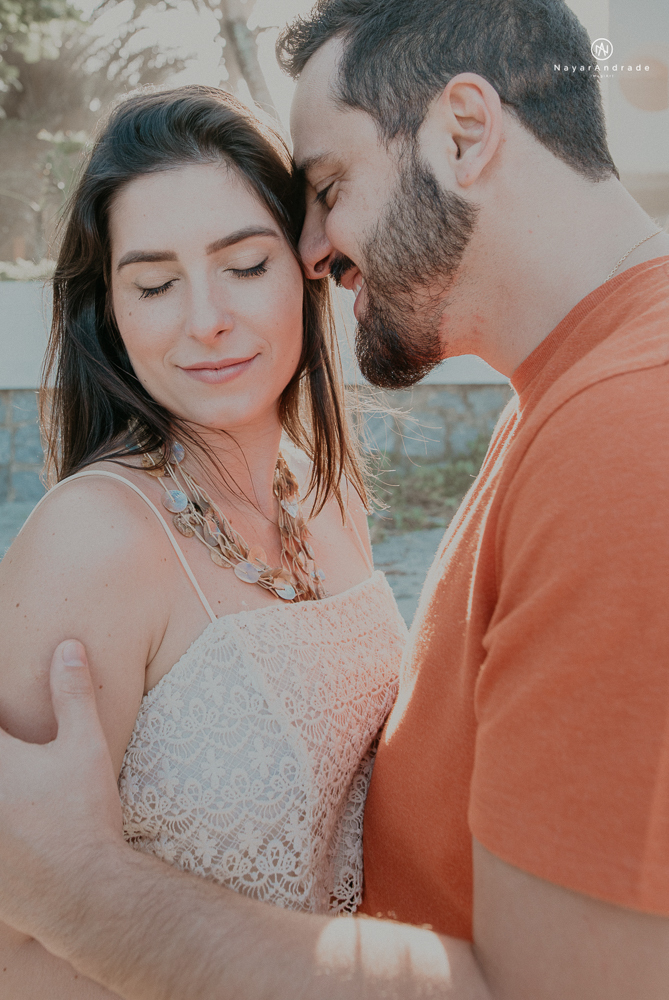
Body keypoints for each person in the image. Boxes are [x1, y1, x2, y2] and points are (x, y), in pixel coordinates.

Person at [0, 0, 668, 996]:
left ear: (465, 133)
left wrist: (89, 890)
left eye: (325, 190)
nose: (317, 247)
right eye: (153, 283)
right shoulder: (93, 543)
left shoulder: (612, 435)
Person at [0, 86, 408, 996]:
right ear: (108, 311)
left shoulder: (327, 489)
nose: (204, 320)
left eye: (244, 265)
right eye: (153, 284)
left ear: (308, 267)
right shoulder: (92, 544)